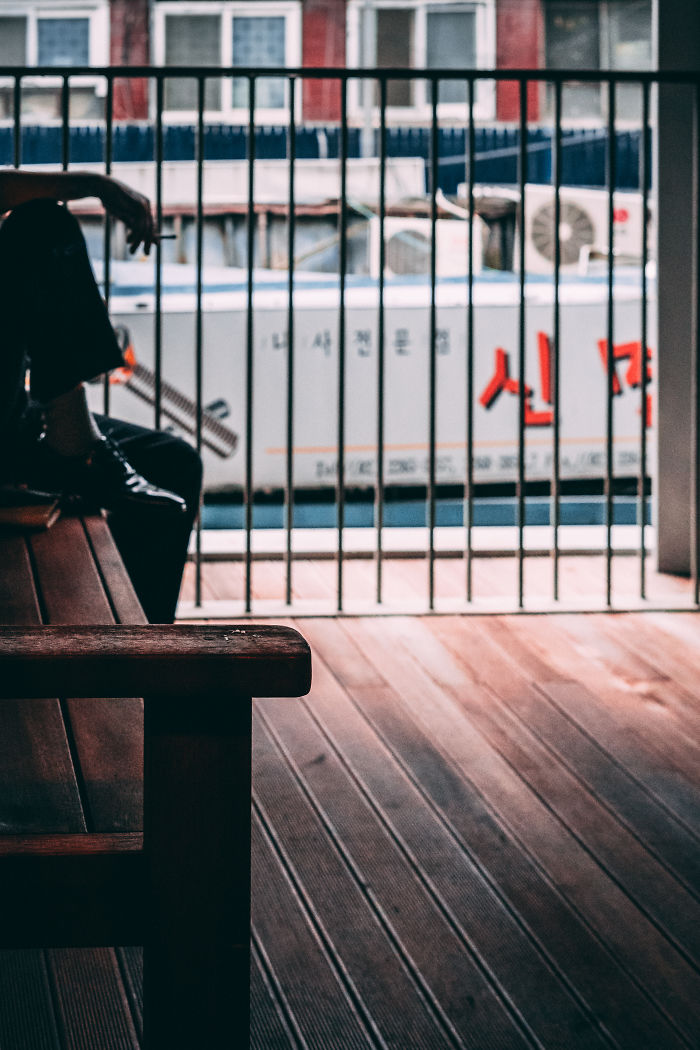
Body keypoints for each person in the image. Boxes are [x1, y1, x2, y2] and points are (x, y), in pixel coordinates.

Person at [0, 169, 202, 623]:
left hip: (16, 416)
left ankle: (142, 651)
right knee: (39, 226)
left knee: (175, 462)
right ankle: (75, 445)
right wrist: (100, 185)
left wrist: (98, 186)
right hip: (11, 428)